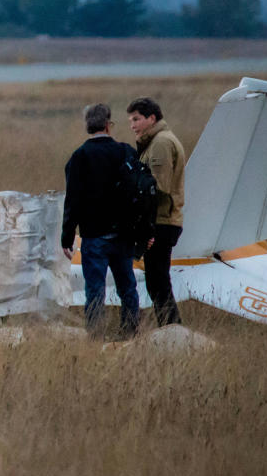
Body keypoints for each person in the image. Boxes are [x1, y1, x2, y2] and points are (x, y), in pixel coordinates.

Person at [61, 103, 140, 339]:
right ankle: (130, 332)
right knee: (127, 286)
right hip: (124, 234)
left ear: (88, 126)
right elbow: (140, 193)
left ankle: (95, 336)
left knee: (94, 289)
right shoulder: (126, 152)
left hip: (95, 235)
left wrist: (67, 236)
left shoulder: (79, 157)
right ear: (108, 124)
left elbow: (72, 201)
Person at [126, 96, 186, 326]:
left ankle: (172, 327)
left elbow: (159, 187)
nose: (132, 125)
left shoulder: (160, 143)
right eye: (130, 120)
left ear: (152, 118)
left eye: (137, 119)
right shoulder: (155, 141)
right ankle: (171, 325)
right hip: (163, 220)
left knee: (157, 281)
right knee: (156, 280)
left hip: (161, 221)